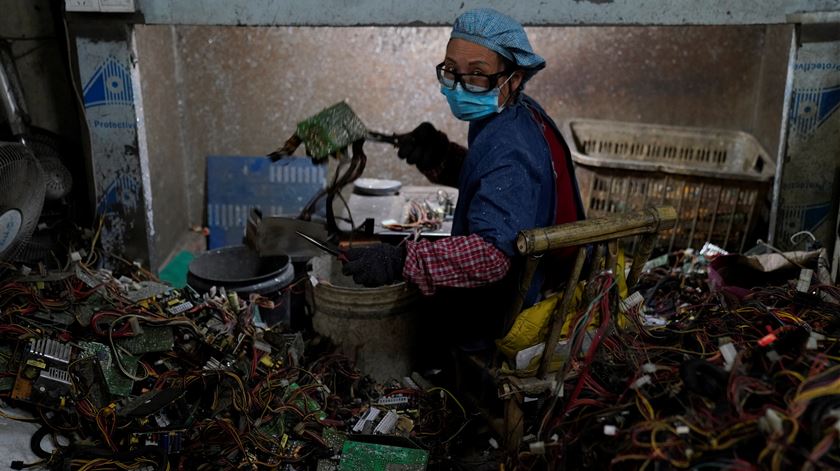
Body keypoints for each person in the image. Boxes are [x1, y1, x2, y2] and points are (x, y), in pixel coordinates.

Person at [342, 8, 585, 344]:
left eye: (476, 74)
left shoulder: (510, 149)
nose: (458, 85)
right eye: (451, 70)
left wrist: (402, 260)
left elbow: (491, 256)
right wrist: (442, 157)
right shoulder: (511, 112)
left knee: (417, 323)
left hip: (511, 306)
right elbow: (496, 185)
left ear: (513, 78)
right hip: (527, 272)